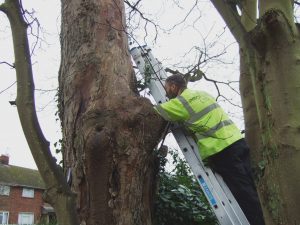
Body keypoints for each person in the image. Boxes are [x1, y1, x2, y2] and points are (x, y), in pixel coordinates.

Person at [154, 74, 265, 225]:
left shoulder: (181, 103)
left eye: (166, 88)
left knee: (243, 194)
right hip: (237, 141)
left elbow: (156, 112)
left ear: (174, 86)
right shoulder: (202, 94)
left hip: (222, 150)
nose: (166, 93)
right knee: (253, 187)